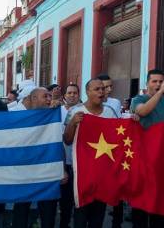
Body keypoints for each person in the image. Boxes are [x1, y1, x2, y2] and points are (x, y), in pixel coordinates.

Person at [63, 78, 117, 228]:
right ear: (87, 92)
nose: (101, 92)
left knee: (98, 215)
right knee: (80, 213)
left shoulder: (110, 112)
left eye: (102, 89)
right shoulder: (75, 111)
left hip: (102, 172)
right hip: (81, 172)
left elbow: (119, 137)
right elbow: (67, 140)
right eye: (97, 89)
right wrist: (73, 123)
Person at [130, 69, 164, 228]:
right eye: (154, 81)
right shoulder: (138, 99)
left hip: (162, 160)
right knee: (141, 202)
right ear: (147, 83)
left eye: (161, 81)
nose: (158, 84)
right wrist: (161, 92)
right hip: (142, 159)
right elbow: (143, 111)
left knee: (161, 202)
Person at [12, 88, 58, 228]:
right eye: (45, 96)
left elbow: (58, 142)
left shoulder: (52, 117)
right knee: (21, 210)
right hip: (23, 171)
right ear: (33, 99)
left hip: (46, 171)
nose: (49, 99)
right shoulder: (16, 116)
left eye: (50, 96)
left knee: (48, 212)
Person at [59, 84, 80, 228]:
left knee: (79, 201)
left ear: (79, 95)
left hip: (79, 163)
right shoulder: (56, 111)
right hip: (62, 163)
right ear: (65, 95)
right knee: (65, 202)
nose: (72, 95)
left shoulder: (84, 111)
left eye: (75, 93)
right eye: (69, 93)